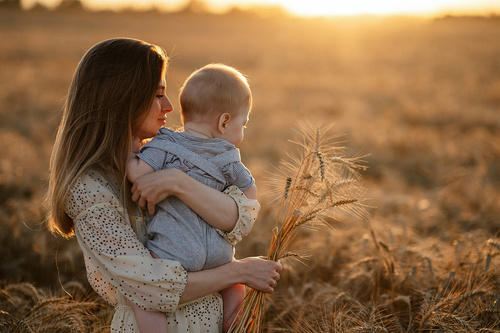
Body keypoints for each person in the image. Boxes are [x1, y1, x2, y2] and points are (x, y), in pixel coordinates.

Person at [46, 37, 282, 333]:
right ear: (123, 99)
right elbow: (151, 287)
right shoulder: (89, 188)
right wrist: (238, 271)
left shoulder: (168, 156)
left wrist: (177, 182)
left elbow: (241, 216)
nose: (170, 107)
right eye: (158, 95)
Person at [127, 63, 256, 332]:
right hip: (219, 256)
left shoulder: (164, 144)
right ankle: (233, 323)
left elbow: (138, 174)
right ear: (224, 122)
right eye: (242, 124)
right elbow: (249, 198)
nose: (241, 133)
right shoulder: (229, 157)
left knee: (144, 294)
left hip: (174, 252)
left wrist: (131, 150)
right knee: (234, 285)